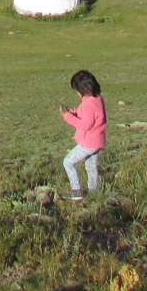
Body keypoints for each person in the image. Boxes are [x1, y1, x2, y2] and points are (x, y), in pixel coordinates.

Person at [60, 69, 107, 200]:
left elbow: (85, 124)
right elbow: (88, 116)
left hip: (88, 142)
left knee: (68, 162)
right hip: (98, 141)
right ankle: (94, 191)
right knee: (91, 166)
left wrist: (67, 116)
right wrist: (73, 111)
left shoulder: (88, 104)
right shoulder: (97, 98)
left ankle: (76, 191)